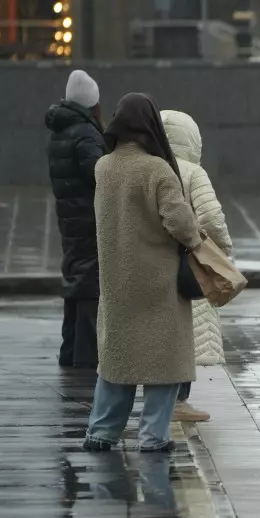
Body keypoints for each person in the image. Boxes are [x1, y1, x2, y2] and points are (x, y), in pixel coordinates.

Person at [82, 93, 203, 452]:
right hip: (157, 283)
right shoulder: (157, 169)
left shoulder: (103, 166)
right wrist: (196, 235)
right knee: (163, 363)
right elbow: (179, 223)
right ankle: (152, 436)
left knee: (118, 361)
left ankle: (102, 432)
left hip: (117, 281)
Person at [161, 109, 234, 423]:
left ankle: (163, 398)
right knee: (189, 331)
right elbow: (211, 217)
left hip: (155, 262)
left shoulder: (151, 168)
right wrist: (222, 250)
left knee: (163, 332)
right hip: (189, 263)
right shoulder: (193, 172)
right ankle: (179, 400)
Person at [46, 70, 107, 370]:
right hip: (88, 219)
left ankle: (69, 353)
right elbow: (100, 176)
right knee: (88, 285)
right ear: (91, 101)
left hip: (70, 218)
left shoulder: (61, 129)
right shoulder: (85, 133)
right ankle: (85, 358)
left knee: (75, 281)